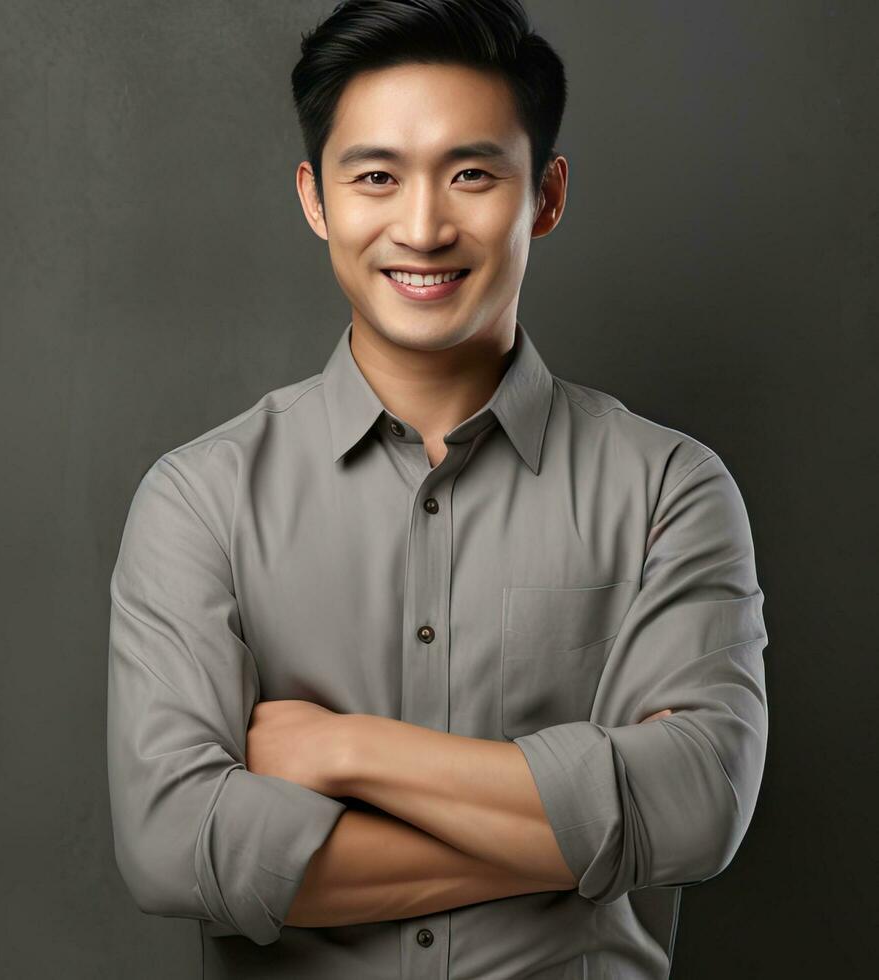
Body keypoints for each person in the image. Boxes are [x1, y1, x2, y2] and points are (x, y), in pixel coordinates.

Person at [103, 1, 768, 976]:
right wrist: (578, 832)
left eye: (469, 174)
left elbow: (698, 804)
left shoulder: (668, 485)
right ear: (314, 198)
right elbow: (170, 844)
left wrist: (343, 751)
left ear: (543, 195)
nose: (420, 226)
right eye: (374, 176)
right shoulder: (198, 497)